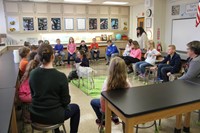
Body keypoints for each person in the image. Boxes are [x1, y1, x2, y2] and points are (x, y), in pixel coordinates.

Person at [29, 43, 80, 133]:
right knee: (75, 108)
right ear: (53, 57)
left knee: (54, 106)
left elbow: (32, 95)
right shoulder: (60, 76)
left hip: (35, 115)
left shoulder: (32, 73)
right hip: (54, 116)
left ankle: (56, 131)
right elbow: (66, 101)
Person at [90, 57, 131, 126]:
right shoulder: (126, 82)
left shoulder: (107, 82)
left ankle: (102, 120)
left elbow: (102, 99)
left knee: (93, 102)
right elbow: (130, 94)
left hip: (109, 108)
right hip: (121, 107)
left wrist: (104, 111)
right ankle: (115, 117)